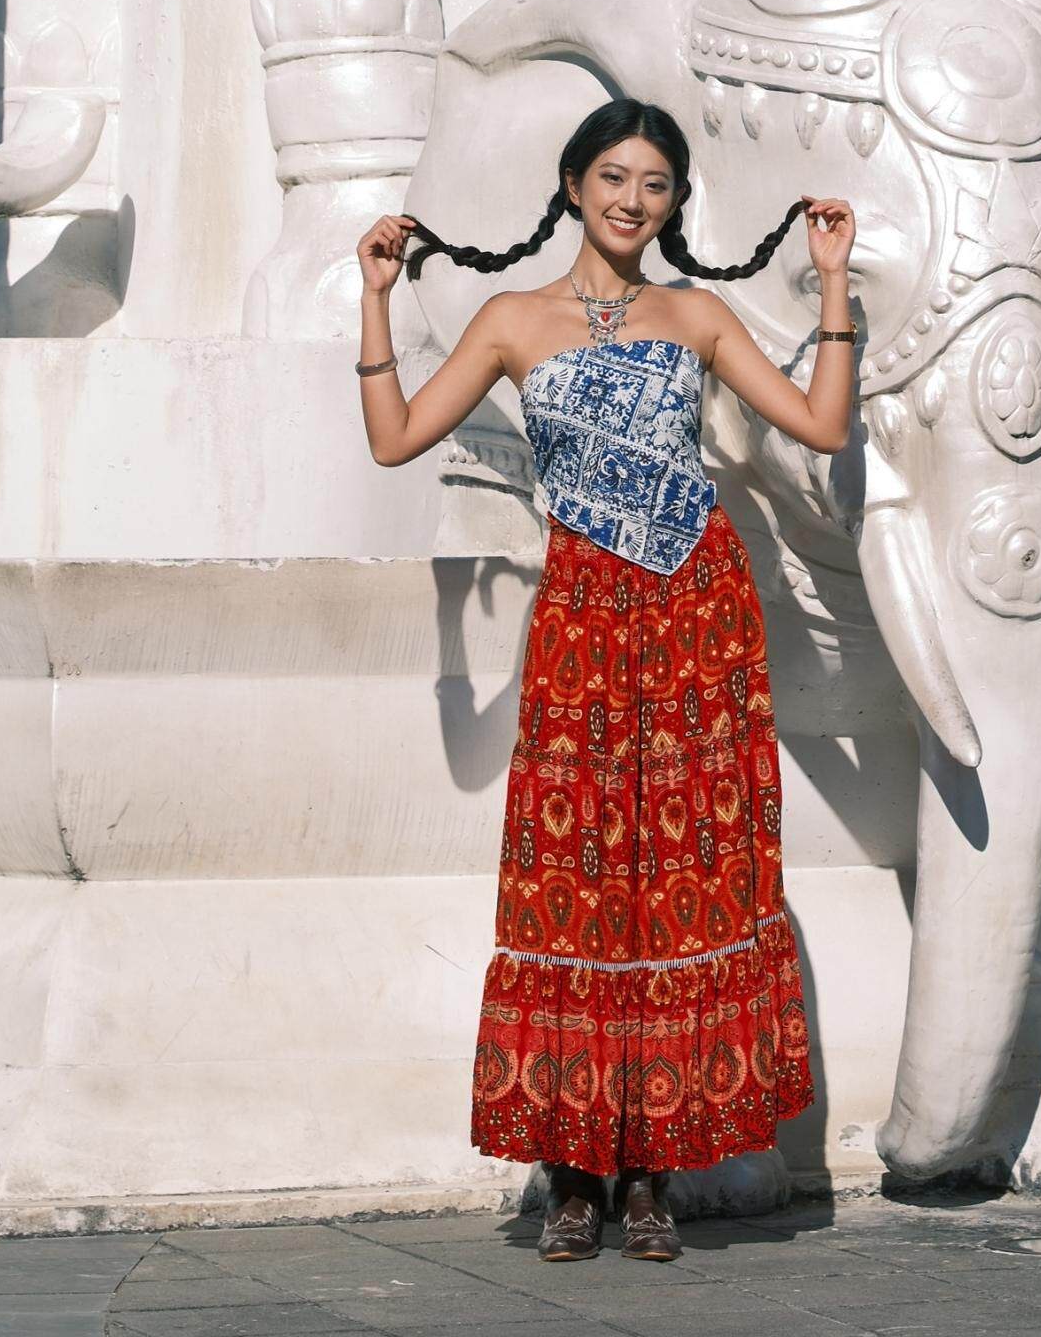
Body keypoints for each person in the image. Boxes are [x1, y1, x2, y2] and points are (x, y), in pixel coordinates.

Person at [354, 99, 858, 1264]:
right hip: (582, 618)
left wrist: (831, 283)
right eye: (616, 177)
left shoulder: (695, 315)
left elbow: (822, 425)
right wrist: (374, 298)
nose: (635, 200)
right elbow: (393, 438)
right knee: (576, 877)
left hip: (695, 612)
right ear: (574, 183)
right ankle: (573, 1176)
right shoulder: (510, 320)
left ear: (674, 202)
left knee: (674, 878)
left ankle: (647, 1178)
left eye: (656, 183)